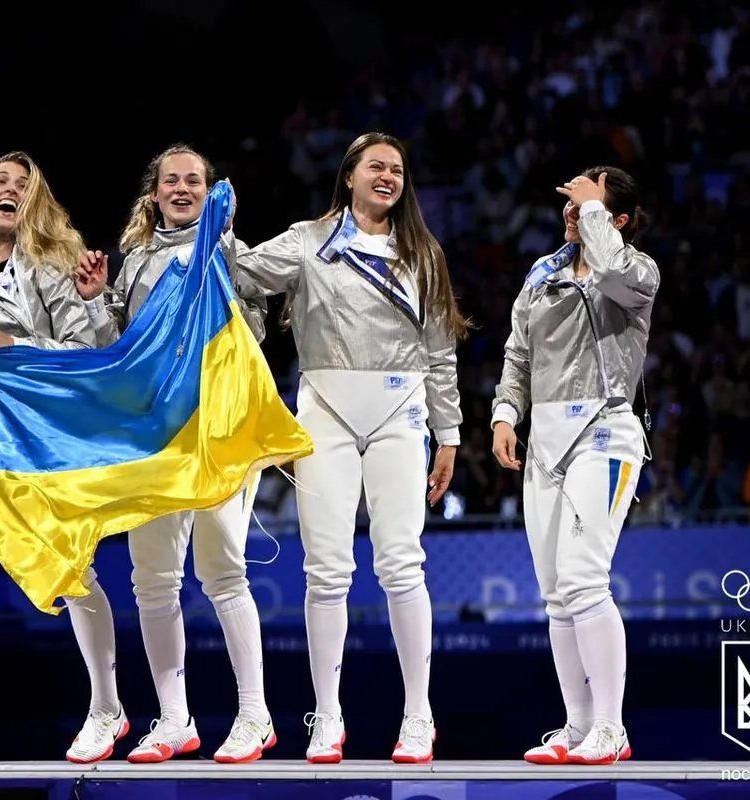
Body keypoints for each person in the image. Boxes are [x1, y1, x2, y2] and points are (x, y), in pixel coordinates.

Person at [231, 132, 469, 765]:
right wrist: (214, 230)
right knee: (327, 570)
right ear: (349, 176)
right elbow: (241, 271)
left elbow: (440, 349)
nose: (388, 176)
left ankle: (418, 715)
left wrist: (448, 433)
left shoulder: (422, 252)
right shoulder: (309, 240)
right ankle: (327, 716)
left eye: (397, 168)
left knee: (401, 565)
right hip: (324, 414)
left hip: (400, 413)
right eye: (376, 167)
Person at [0, 151, 128, 763]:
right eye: (1, 182)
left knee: (72, 574)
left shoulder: (53, 268)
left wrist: (16, 343)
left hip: (43, 446)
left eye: (23, 185)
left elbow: (88, 351)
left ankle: (107, 709)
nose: (11, 190)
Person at [73, 144, 275, 764]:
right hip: (154, 437)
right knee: (152, 580)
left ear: (206, 190)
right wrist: (93, 298)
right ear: (154, 192)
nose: (183, 188)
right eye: (172, 181)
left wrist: (218, 266)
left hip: (215, 430)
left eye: (194, 180)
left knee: (221, 572)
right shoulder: (132, 261)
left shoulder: (228, 250)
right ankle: (174, 719)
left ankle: (254, 715)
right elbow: (118, 352)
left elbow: (256, 329)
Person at [490, 166, 658, 765]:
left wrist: (594, 216)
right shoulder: (542, 275)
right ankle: (579, 727)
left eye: (588, 200)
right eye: (570, 199)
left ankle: (613, 728)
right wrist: (505, 414)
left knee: (585, 579)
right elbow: (518, 352)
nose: (572, 207)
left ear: (614, 219)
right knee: (557, 595)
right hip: (547, 446)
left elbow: (611, 269)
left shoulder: (636, 271)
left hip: (607, 434)